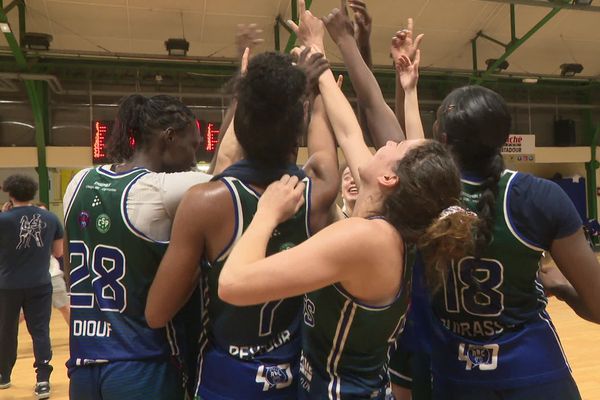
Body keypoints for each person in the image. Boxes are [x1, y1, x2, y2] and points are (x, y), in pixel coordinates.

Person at [216, 5, 476, 399]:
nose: (388, 140)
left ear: (389, 178)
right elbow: (349, 132)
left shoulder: (365, 238)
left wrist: (266, 214)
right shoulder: (388, 216)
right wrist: (317, 55)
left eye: (397, 146)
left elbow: (234, 284)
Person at [371, 84, 600, 399]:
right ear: (504, 138)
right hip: (535, 372)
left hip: (455, 376)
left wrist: (387, 73)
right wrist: (559, 286)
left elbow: (382, 126)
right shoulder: (538, 197)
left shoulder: (422, 193)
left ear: (442, 138)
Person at [146, 47, 340, 399]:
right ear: (298, 125)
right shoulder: (319, 192)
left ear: (242, 121)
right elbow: (324, 147)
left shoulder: (205, 203)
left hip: (227, 381)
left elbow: (157, 313)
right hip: (295, 378)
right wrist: (311, 92)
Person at [63, 94, 212, 400]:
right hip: (140, 364)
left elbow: (68, 271)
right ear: (169, 137)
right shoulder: (159, 190)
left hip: (83, 365)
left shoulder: (78, 181)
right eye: (193, 145)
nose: (194, 158)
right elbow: (224, 175)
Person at [0, 174, 64, 399]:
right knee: (40, 331)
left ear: (10, 194)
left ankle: (4, 376)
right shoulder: (50, 218)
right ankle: (43, 381)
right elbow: (59, 253)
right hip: (40, 283)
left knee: (7, 330)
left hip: (8, 285)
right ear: (33, 193)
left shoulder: (3, 219)